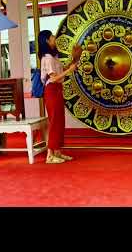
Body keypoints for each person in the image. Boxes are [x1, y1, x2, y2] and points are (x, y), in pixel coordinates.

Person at [38, 30, 78, 164]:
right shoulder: (48, 58)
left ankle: (57, 151)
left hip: (57, 90)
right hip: (51, 90)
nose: (55, 38)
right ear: (47, 41)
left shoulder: (53, 57)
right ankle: (50, 155)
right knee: (55, 121)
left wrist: (73, 60)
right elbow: (54, 78)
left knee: (60, 121)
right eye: (52, 36)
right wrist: (69, 70)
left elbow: (61, 72)